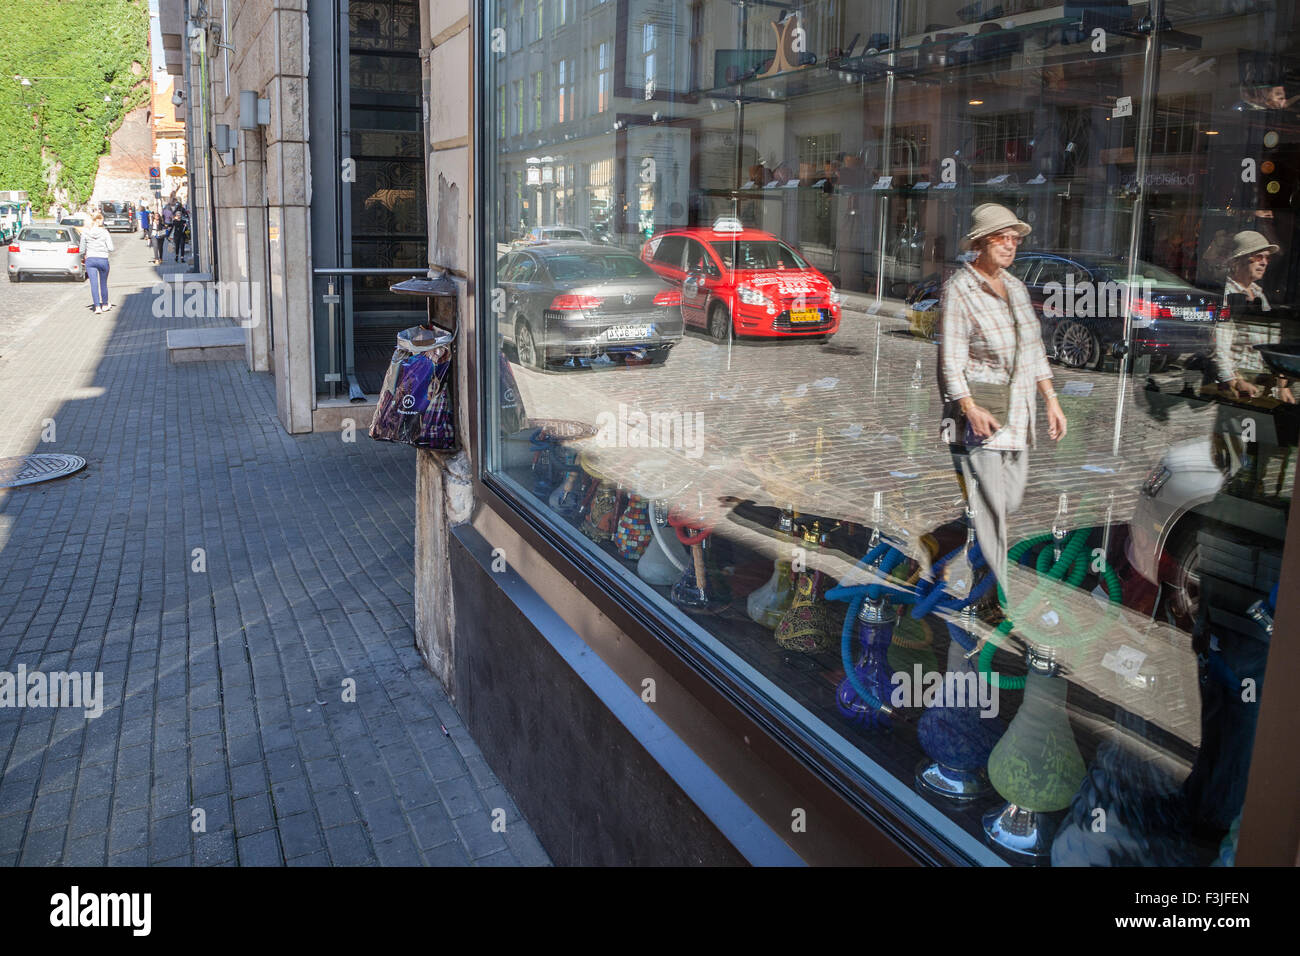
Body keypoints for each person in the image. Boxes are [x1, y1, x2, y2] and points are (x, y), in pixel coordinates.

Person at [939, 203, 1067, 593]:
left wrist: (1051, 399)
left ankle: (967, 558)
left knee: (1009, 501)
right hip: (984, 415)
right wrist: (969, 407)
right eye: (1002, 238)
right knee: (995, 511)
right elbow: (951, 359)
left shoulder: (1014, 287)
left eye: (1015, 239)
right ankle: (1001, 594)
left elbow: (1033, 350)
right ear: (981, 242)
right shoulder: (960, 288)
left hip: (1020, 416)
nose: (1011, 245)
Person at [1209, 230, 1294, 403]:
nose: (1264, 263)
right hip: (1241, 381)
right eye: (1257, 257)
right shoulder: (1227, 295)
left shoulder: (1258, 293)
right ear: (1237, 261)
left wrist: (1281, 383)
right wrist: (1234, 381)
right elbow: (1220, 346)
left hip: (1261, 380)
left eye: (1267, 258)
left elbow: (1272, 340)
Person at [78, 211, 115, 314]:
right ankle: (105, 304)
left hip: (90, 259)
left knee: (93, 284)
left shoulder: (85, 233)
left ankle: (97, 307)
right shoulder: (104, 232)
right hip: (103, 259)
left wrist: (83, 256)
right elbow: (111, 248)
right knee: (103, 283)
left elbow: (81, 249)